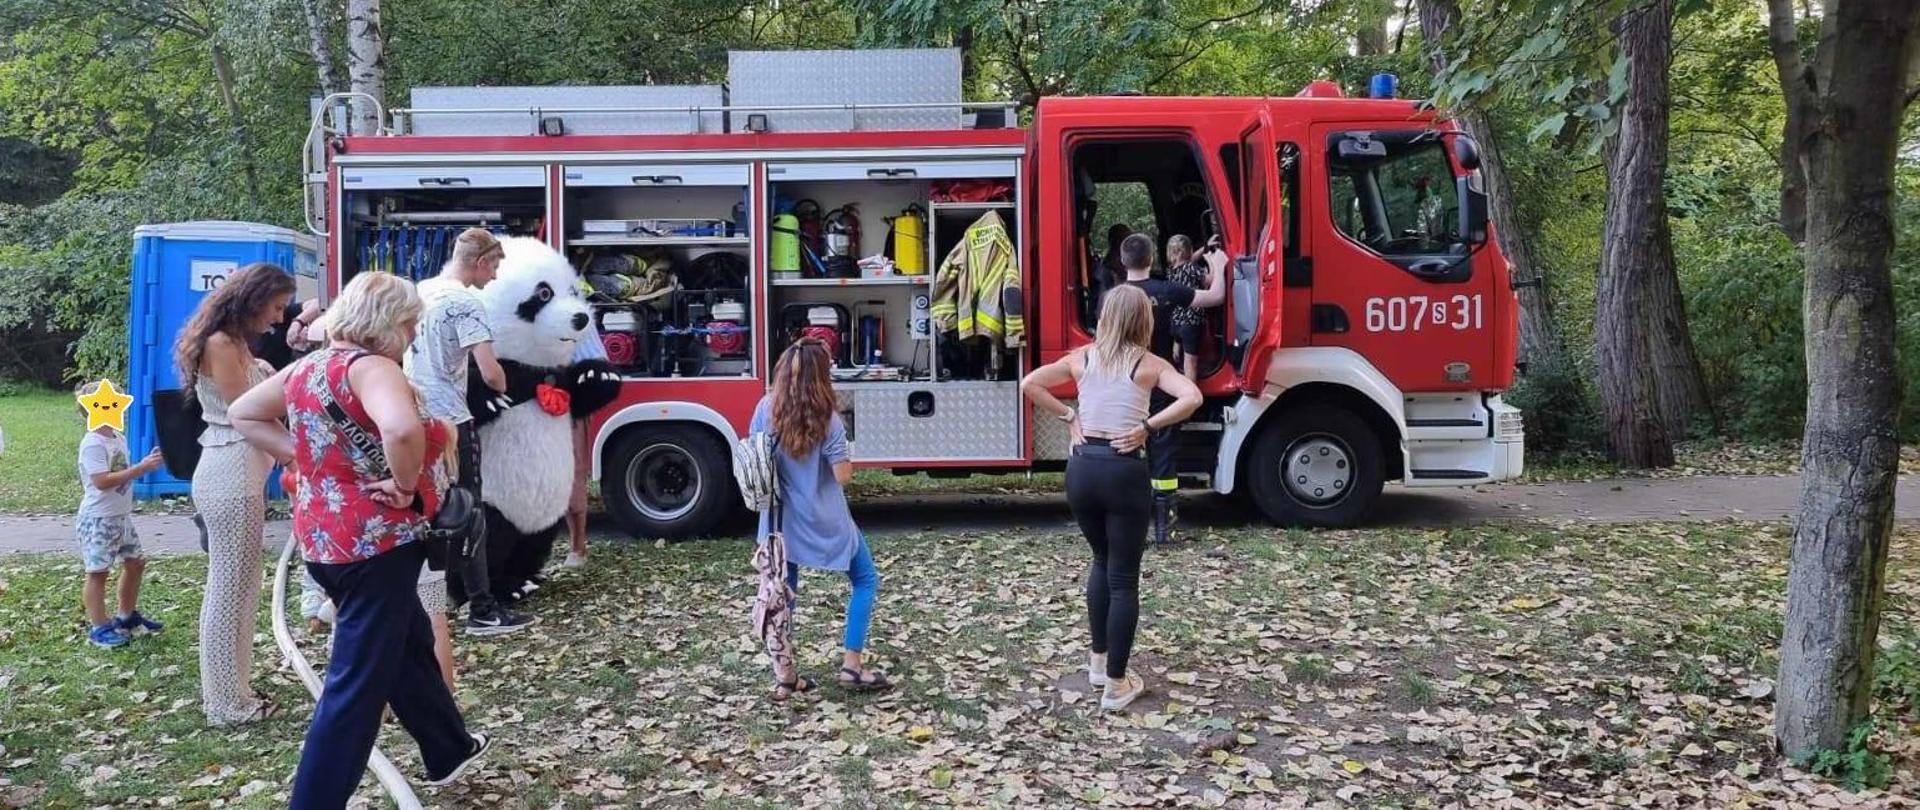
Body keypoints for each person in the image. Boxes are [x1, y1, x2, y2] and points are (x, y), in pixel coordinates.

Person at [230, 272, 488, 808]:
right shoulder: (372, 368)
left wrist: (308, 460)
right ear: (388, 321)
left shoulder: (309, 367)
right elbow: (400, 429)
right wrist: (404, 483)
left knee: (409, 641)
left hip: (326, 540)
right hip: (377, 545)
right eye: (410, 324)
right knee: (355, 687)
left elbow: (244, 413)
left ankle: (449, 748)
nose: (412, 335)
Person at [1021, 286, 1202, 710]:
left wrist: (1069, 417)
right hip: (1123, 471)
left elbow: (1030, 383)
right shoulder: (1149, 363)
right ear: (1144, 320)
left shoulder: (1081, 358)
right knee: (1123, 579)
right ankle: (1117, 686)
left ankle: (1099, 664)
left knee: (1101, 560)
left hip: (1082, 470)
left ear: (1105, 318)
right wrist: (1148, 427)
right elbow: (1192, 396)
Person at [174, 262, 295, 726]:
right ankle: (224, 703)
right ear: (254, 299)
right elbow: (247, 410)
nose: (279, 318)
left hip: (242, 473)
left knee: (243, 587)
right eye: (277, 307)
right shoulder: (221, 344)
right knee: (229, 589)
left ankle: (236, 691)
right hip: (229, 474)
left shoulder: (236, 343)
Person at [405, 227, 531, 636]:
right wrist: (506, 384)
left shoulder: (420, 291)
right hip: (451, 420)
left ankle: (423, 597)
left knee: (423, 506)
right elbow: (491, 372)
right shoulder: (467, 303)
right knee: (468, 510)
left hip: (412, 413)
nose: (494, 276)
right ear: (479, 262)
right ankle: (482, 607)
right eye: (493, 267)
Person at [752, 338, 892, 700]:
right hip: (825, 519)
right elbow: (842, 476)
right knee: (865, 578)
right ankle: (852, 666)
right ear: (821, 377)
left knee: (782, 596)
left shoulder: (765, 409)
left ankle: (786, 677)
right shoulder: (829, 419)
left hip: (779, 523)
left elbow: (755, 457)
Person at [1111, 232, 1228, 545]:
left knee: (1125, 454)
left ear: (1122, 261)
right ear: (1151, 259)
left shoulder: (1111, 298)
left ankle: (1126, 531)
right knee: (1163, 456)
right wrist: (1219, 264)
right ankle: (1165, 530)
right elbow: (1215, 296)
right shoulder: (1166, 290)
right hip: (1159, 384)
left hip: (1124, 387)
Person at [73, 382, 167, 648]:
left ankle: (125, 616)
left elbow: (119, 471)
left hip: (120, 516)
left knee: (135, 563)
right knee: (98, 572)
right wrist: (141, 468)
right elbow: (102, 481)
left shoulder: (117, 437)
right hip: (99, 519)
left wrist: (143, 463)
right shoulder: (93, 443)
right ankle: (99, 627)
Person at [563, 322, 609, 569]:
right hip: (524, 408)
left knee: (571, 475)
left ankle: (577, 547)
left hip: (566, 407)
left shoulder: (574, 317)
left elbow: (598, 363)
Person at [1163, 235, 1212, 381]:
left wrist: (1205, 247)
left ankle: (1177, 345)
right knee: (1191, 363)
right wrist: (1212, 261)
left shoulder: (1171, 270)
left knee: (1182, 355)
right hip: (1191, 323)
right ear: (1189, 250)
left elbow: (1188, 261)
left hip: (1176, 322)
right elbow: (1209, 280)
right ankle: (1190, 390)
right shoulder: (1192, 268)